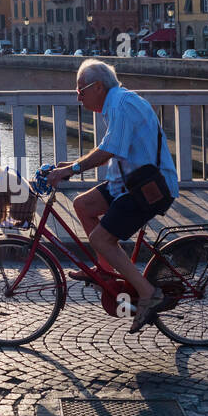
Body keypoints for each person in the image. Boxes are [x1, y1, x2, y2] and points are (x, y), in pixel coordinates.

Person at [45, 60, 178, 333]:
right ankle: (105, 271)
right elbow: (112, 150)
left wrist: (71, 169)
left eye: (81, 91)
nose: (78, 97)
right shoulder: (115, 104)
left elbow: (108, 150)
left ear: (98, 87)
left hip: (150, 190)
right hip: (129, 184)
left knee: (101, 239)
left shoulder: (121, 105)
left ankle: (148, 293)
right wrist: (69, 168)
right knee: (82, 204)